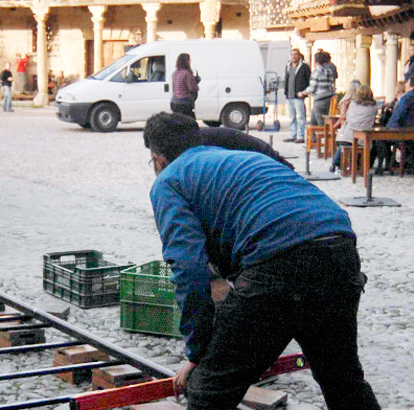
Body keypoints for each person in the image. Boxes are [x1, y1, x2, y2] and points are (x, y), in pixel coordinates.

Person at [143, 112, 380, 410]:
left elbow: (188, 270)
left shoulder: (169, 180)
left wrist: (197, 352)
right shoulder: (238, 158)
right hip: (339, 248)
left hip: (278, 262)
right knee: (343, 381)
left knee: (209, 391)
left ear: (157, 159)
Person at [330, 85, 378, 173]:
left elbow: (347, 117)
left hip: (347, 135)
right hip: (363, 137)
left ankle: (334, 163)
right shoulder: (374, 106)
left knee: (344, 144)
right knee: (372, 144)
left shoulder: (353, 104)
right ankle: (365, 165)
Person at [299, 50, 336, 126]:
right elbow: (332, 86)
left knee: (321, 124)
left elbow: (312, 88)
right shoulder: (329, 71)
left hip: (319, 100)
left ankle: (322, 137)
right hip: (329, 99)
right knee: (313, 122)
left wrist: (302, 93)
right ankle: (313, 138)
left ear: (316, 61)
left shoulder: (316, 72)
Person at [283, 48, 310, 144]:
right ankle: (292, 134)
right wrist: (285, 91)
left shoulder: (304, 67)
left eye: (295, 54)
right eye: (292, 54)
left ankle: (300, 136)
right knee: (291, 117)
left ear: (299, 55)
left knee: (301, 117)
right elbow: (286, 79)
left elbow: (308, 80)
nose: (294, 56)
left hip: (298, 96)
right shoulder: (288, 66)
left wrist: (303, 92)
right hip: (289, 95)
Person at [170, 53, 199, 121]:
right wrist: (196, 82)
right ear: (186, 61)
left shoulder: (175, 73)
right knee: (189, 122)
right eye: (189, 60)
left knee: (177, 122)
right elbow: (192, 88)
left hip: (174, 101)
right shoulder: (186, 73)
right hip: (184, 103)